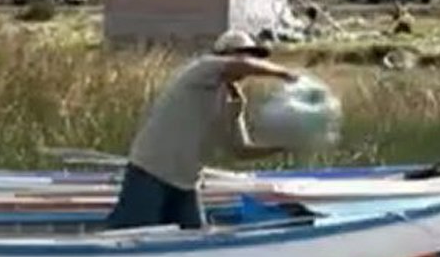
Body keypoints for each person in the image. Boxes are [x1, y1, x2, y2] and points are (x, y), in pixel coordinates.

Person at [105, 29, 299, 231]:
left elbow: (240, 149)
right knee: (130, 234)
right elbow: (244, 65)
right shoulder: (202, 69)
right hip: (151, 171)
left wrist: (283, 147)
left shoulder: (231, 99)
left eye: (252, 55)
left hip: (186, 182)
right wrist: (284, 74)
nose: (249, 60)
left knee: (193, 237)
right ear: (224, 55)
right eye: (244, 53)